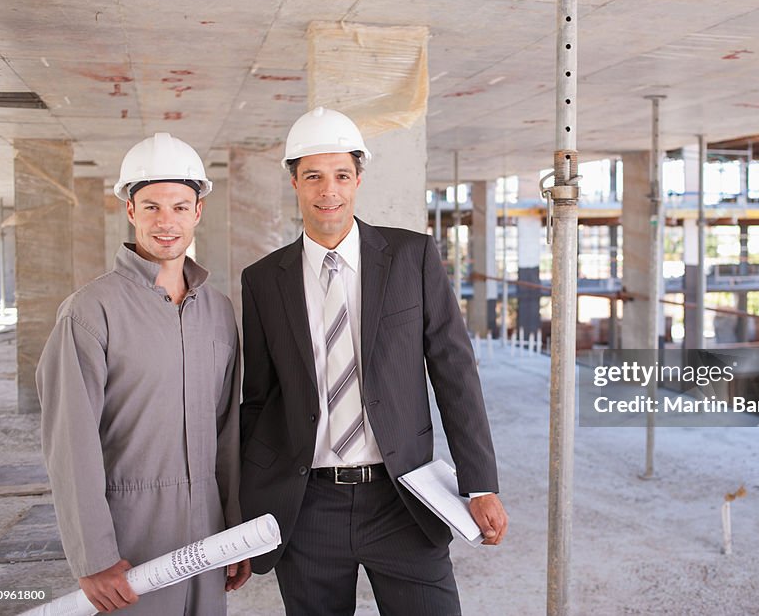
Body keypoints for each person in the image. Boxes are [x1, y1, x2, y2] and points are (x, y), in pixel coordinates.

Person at [240, 107, 508, 615]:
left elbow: (455, 376)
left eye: (341, 175)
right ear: (294, 182)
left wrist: (481, 484)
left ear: (358, 178)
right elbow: (258, 401)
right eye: (314, 177)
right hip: (307, 506)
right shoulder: (262, 280)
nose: (329, 191)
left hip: (403, 499)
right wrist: (244, 512)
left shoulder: (413, 256)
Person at [36, 133, 251, 614]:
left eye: (179, 206)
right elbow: (70, 442)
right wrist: (93, 555)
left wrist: (234, 528)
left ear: (198, 212)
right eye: (151, 206)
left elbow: (228, 431)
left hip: (208, 531)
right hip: (131, 534)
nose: (166, 222)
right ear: (130, 211)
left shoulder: (217, 311)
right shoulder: (90, 312)